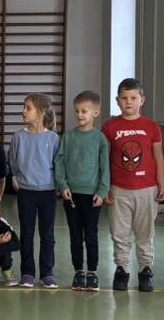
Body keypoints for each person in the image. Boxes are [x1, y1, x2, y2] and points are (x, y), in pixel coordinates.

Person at [101, 78, 164, 292]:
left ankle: (146, 270)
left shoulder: (151, 127)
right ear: (117, 101)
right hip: (118, 189)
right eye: (124, 98)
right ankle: (122, 269)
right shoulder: (110, 127)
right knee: (119, 233)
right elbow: (104, 159)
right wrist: (105, 186)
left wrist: (161, 183)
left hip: (147, 188)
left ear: (142, 100)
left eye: (133, 98)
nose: (129, 102)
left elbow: (158, 156)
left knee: (145, 233)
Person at [54, 91, 110, 292]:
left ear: (95, 113)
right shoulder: (68, 137)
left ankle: (92, 273)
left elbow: (105, 167)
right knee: (75, 236)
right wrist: (63, 186)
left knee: (91, 236)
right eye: (77, 111)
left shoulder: (100, 139)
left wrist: (102, 191)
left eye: (84, 111)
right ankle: (78, 272)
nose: (79, 115)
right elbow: (59, 162)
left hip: (92, 196)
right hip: (71, 195)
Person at [9, 93, 60, 289]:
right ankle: (27, 272)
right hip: (26, 192)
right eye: (24, 107)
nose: (23, 111)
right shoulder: (18, 137)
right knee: (27, 234)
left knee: (47, 234)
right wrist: (16, 179)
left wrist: (58, 185)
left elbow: (57, 163)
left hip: (47, 192)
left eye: (28, 108)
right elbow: (13, 162)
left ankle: (47, 272)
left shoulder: (53, 138)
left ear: (41, 112)